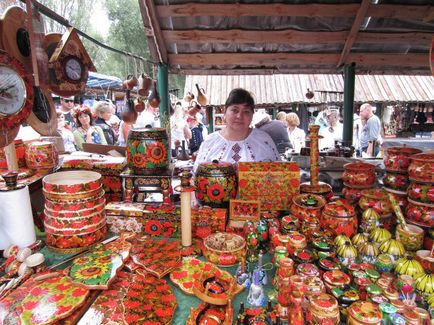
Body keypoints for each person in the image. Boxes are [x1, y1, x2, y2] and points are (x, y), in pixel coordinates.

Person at [193, 88, 280, 172]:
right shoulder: (211, 141)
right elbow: (196, 177)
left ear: (252, 115)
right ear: (225, 112)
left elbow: (280, 175)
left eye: (246, 111)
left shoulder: (263, 140)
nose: (239, 116)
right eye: (235, 110)